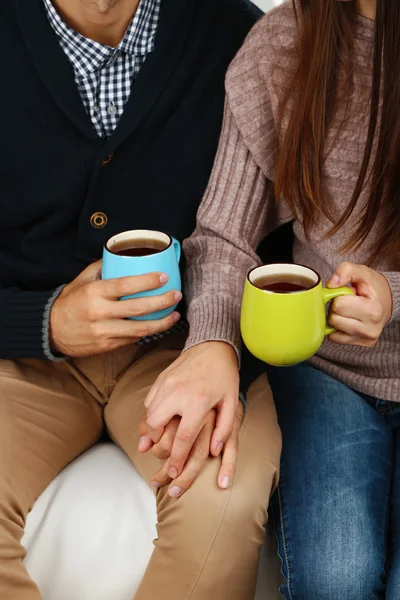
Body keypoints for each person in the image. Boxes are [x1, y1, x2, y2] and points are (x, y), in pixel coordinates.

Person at [0, 0, 283, 599]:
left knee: (222, 502)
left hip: (185, 354)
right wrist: (44, 320)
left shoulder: (241, 37)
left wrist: (221, 346)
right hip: (21, 361)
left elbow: (283, 248)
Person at [183, 0, 400, 598]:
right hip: (324, 373)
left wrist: (393, 297)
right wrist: (211, 342)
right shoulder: (283, 44)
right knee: (335, 577)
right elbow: (223, 238)